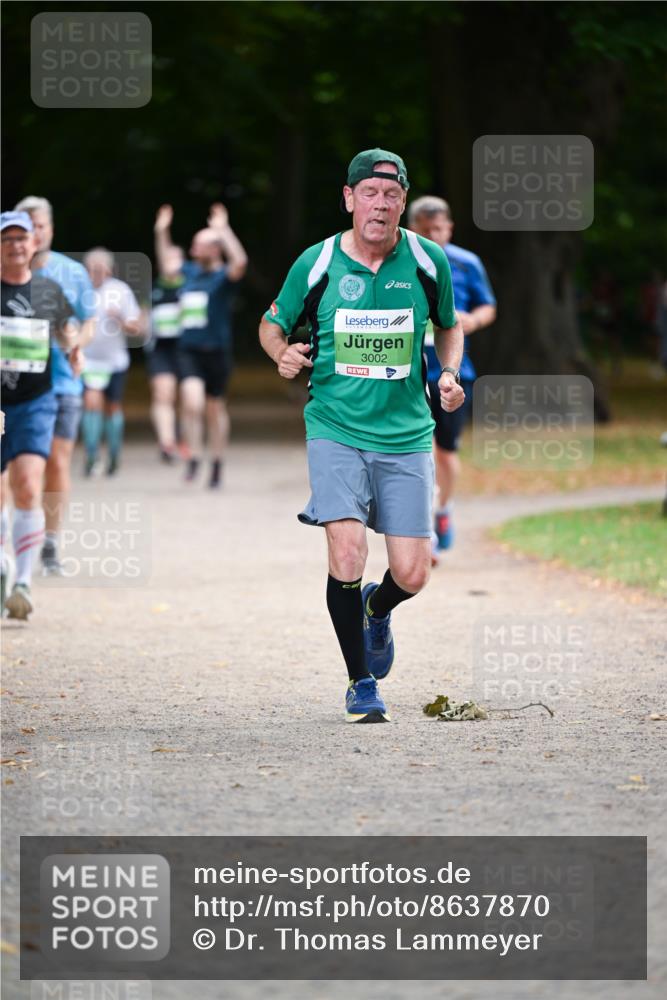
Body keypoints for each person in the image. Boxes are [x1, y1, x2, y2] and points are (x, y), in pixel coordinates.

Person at [259, 149, 464, 723]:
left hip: (406, 434)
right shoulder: (318, 262)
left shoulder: (428, 261)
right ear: (349, 199)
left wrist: (447, 374)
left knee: (413, 572)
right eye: (369, 194)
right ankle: (361, 681)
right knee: (346, 550)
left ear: (403, 203)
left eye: (392, 195)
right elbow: (272, 323)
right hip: (335, 427)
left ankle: (379, 605)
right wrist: (282, 353)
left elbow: (449, 327)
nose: (381, 205)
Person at [408, 196, 496, 558]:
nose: (433, 235)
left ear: (450, 227)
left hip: (455, 371)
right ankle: (423, 528)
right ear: (412, 229)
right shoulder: (402, 263)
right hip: (410, 369)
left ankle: (443, 509)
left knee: (445, 453)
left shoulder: (466, 262)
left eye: (439, 229)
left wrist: (472, 320)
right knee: (420, 450)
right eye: (425, 230)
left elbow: (488, 305)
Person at [0, 211, 78, 618]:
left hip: (35, 401)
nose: (15, 245)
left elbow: (67, 328)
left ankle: (23, 583)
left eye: (21, 238)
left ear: (34, 245)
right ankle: (1, 565)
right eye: (7, 238)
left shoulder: (48, 290)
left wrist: (74, 346)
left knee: (29, 484)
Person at [14, 195, 96, 575]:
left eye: (40, 226)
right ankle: (13, 540)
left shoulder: (71, 272)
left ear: (49, 229)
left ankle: (49, 544)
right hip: (12, 384)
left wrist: (76, 345)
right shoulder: (7, 271)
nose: (34, 234)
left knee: (56, 460)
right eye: (26, 227)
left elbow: (88, 320)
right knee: (18, 468)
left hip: (62, 382)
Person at [155, 202, 248, 488]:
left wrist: (224, 230)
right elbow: (165, 263)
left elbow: (240, 262)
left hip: (217, 352)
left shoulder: (222, 278)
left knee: (214, 409)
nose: (193, 250)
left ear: (214, 249)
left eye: (199, 245)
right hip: (188, 351)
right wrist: (161, 231)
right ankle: (194, 456)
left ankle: (217, 461)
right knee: (192, 403)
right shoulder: (189, 273)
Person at [81, 248, 141, 476]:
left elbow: (136, 327)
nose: (95, 273)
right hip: (89, 361)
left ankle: (114, 454)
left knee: (112, 407)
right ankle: (91, 455)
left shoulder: (120, 290)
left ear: (109, 269)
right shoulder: (81, 291)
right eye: (91, 269)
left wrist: (121, 319)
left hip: (115, 361)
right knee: (90, 403)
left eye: (100, 268)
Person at [147, 207, 186, 463]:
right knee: (163, 393)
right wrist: (161, 230)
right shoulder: (156, 289)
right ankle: (166, 444)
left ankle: (183, 438)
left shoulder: (191, 284)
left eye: (176, 258)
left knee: (187, 398)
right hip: (160, 348)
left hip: (187, 348)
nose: (170, 263)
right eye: (166, 259)